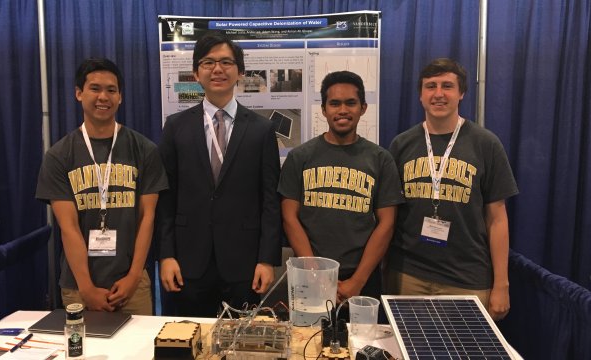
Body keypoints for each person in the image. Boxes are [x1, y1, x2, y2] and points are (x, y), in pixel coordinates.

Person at [156, 32, 282, 317]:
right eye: (208, 62)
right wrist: (166, 255)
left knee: (241, 346)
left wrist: (267, 260)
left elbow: (270, 200)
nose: (217, 69)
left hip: (244, 264)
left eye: (226, 62)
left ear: (240, 72)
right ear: (196, 73)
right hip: (187, 263)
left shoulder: (262, 130)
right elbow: (166, 198)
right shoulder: (176, 127)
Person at [386, 58, 519, 321]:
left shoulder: (486, 144)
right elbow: (389, 215)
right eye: (430, 86)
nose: (438, 94)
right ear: (421, 95)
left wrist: (501, 284)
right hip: (407, 276)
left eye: (447, 86)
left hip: (467, 278)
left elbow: (497, 218)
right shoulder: (401, 144)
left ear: (461, 93)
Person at [36, 58, 168, 315]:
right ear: (78, 93)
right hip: (78, 286)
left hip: (132, 285)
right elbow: (68, 227)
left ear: (120, 97)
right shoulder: (59, 155)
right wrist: (86, 288)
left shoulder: (144, 149)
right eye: (95, 88)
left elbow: (147, 218)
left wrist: (133, 277)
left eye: (111, 90)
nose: (103, 97)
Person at [278, 71, 404, 304]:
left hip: (362, 279)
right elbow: (289, 218)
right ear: (324, 109)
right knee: (305, 339)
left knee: (362, 340)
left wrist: (358, 281)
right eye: (334, 103)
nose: (343, 110)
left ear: (363, 108)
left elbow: (387, 223)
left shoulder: (381, 159)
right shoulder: (299, 157)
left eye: (350, 103)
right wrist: (315, 273)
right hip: (309, 276)